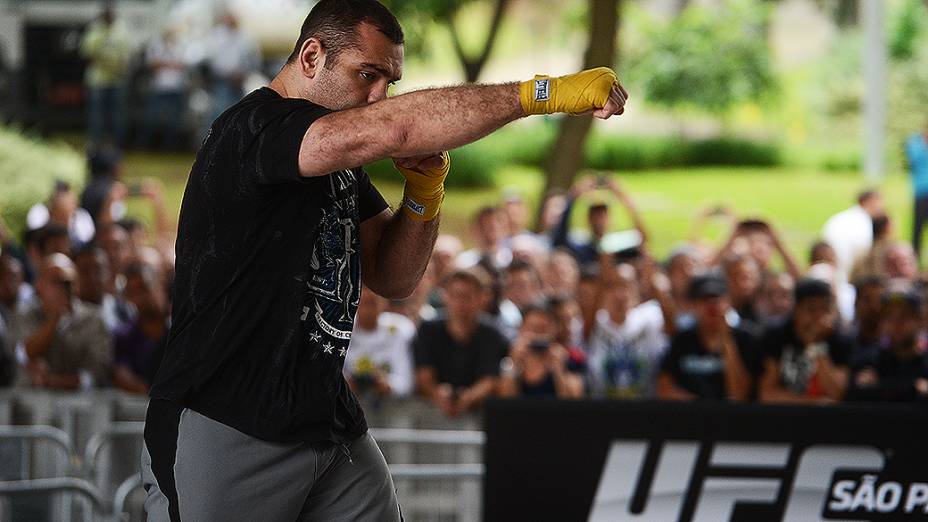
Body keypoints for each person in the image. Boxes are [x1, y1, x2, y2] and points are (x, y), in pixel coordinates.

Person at [141, 0, 628, 520]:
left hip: (325, 418)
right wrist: (542, 94)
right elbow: (394, 129)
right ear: (311, 57)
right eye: (366, 75)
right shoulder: (254, 128)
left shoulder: (337, 163)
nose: (378, 96)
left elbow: (395, 277)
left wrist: (424, 193)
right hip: (225, 417)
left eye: (389, 81)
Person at [413, 269, 509, 416]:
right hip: (431, 412)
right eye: (455, 295)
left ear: (482, 297)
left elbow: (490, 379)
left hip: (477, 413)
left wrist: (470, 397)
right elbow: (423, 373)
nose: (460, 303)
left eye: (467, 296)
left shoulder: (492, 334)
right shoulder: (428, 330)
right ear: (445, 296)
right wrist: (436, 392)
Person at [9, 254, 112, 390]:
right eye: (55, 281)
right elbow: (22, 355)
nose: (63, 288)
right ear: (39, 284)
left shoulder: (94, 319)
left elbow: (97, 371)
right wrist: (54, 319)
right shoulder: (24, 315)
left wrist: (55, 382)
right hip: (31, 401)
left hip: (80, 405)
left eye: (67, 282)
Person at [656, 274, 763, 401]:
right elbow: (664, 388)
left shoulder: (746, 338)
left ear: (729, 303)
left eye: (717, 300)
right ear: (693, 305)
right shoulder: (682, 340)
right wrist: (701, 406)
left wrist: (727, 342)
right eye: (704, 300)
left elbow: (740, 394)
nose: (712, 306)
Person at [759, 278, 853, 403]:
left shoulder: (840, 339)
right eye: (812, 309)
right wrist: (810, 403)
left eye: (825, 309)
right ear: (796, 309)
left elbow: (836, 393)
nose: (819, 316)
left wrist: (816, 345)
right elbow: (767, 393)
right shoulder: (776, 335)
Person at [586, 262, 668, 398]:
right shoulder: (595, 323)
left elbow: (674, 329)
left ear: (636, 287)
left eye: (625, 285)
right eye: (612, 286)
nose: (619, 294)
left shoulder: (651, 316)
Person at [847, 287, 928, 402]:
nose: (896, 324)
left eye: (904, 316)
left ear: (920, 320)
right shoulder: (867, 361)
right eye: (889, 316)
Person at [553, 175, 648, 267]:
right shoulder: (581, 243)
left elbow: (643, 237)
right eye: (595, 215)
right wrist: (572, 198)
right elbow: (560, 239)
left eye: (602, 215)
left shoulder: (618, 243)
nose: (599, 220)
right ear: (588, 219)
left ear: (610, 218)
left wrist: (623, 197)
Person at [498, 302, 585, 398]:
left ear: (554, 329)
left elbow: (574, 401)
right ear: (521, 328)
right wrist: (513, 363)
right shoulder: (509, 355)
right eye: (533, 328)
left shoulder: (569, 358)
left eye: (543, 329)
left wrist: (558, 371)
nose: (537, 335)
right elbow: (505, 399)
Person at [344, 285, 415, 397]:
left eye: (374, 302)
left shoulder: (398, 329)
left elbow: (406, 383)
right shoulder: (342, 330)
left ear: (385, 303)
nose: (369, 309)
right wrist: (345, 384)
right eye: (364, 302)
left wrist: (388, 384)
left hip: (389, 405)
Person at [80, 3, 132, 147]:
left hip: (117, 79)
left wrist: (119, 67)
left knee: (117, 115)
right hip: (98, 80)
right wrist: (106, 63)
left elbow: (126, 55)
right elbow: (87, 54)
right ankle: (95, 144)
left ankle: (116, 144)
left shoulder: (121, 30)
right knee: (97, 115)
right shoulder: (95, 30)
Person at [113, 261, 169, 394]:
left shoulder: (182, 329)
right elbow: (122, 374)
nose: (140, 297)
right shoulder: (124, 336)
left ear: (159, 285)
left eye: (144, 287)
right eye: (132, 292)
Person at [141, 28, 189, 150]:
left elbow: (183, 64)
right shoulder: (156, 46)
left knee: (174, 120)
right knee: (152, 118)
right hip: (159, 87)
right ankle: (147, 145)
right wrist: (170, 64)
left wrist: (164, 63)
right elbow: (152, 64)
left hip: (176, 87)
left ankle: (171, 146)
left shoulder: (180, 46)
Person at [822, 190, 884, 281]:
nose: (881, 207)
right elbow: (862, 252)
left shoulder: (846, 217)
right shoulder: (862, 221)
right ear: (868, 201)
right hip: (843, 266)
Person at [906, 123, 928, 261]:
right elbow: (914, 159)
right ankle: (915, 255)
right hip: (921, 190)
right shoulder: (915, 142)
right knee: (918, 226)